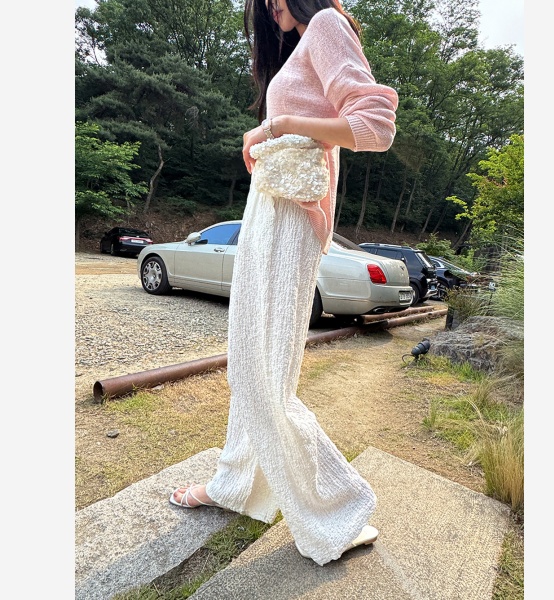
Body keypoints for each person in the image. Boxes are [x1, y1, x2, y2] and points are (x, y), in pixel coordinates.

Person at [170, 0, 399, 566]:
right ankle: (235, 483)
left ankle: (338, 511)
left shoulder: (325, 24)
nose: (270, 6)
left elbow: (373, 126)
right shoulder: (302, 44)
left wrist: (282, 125)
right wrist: (268, 130)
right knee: (249, 359)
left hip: (292, 217)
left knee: (266, 374)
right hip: (271, 210)